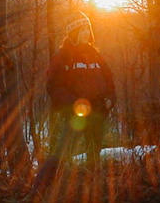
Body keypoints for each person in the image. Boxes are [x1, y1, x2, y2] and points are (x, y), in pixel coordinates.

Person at [31, 11, 115, 193]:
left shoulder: (95, 54)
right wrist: (73, 104)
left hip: (96, 112)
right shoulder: (63, 56)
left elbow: (108, 79)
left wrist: (110, 98)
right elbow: (53, 85)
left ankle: (91, 192)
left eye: (88, 29)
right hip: (74, 114)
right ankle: (38, 191)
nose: (86, 33)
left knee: (94, 153)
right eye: (82, 29)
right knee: (61, 151)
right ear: (73, 32)